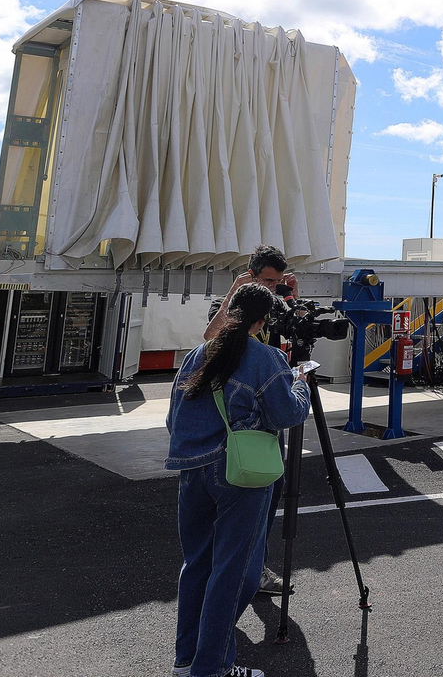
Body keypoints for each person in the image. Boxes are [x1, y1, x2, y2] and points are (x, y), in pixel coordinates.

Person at [167, 283, 311, 677]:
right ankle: (211, 669)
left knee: (197, 565)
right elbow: (287, 414)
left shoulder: (199, 354)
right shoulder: (265, 358)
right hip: (240, 473)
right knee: (233, 572)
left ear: (230, 311)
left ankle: (187, 662)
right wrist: (300, 383)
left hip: (192, 469)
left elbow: (172, 417)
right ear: (263, 322)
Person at [203, 244, 299, 597]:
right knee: (232, 500)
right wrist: (234, 292)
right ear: (251, 276)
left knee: (267, 497)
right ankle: (230, 574)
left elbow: (292, 342)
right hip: (233, 423)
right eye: (267, 282)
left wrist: (291, 301)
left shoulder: (277, 306)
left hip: (268, 419)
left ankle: (255, 569)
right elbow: (210, 339)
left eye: (278, 283)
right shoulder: (233, 305)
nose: (273, 289)